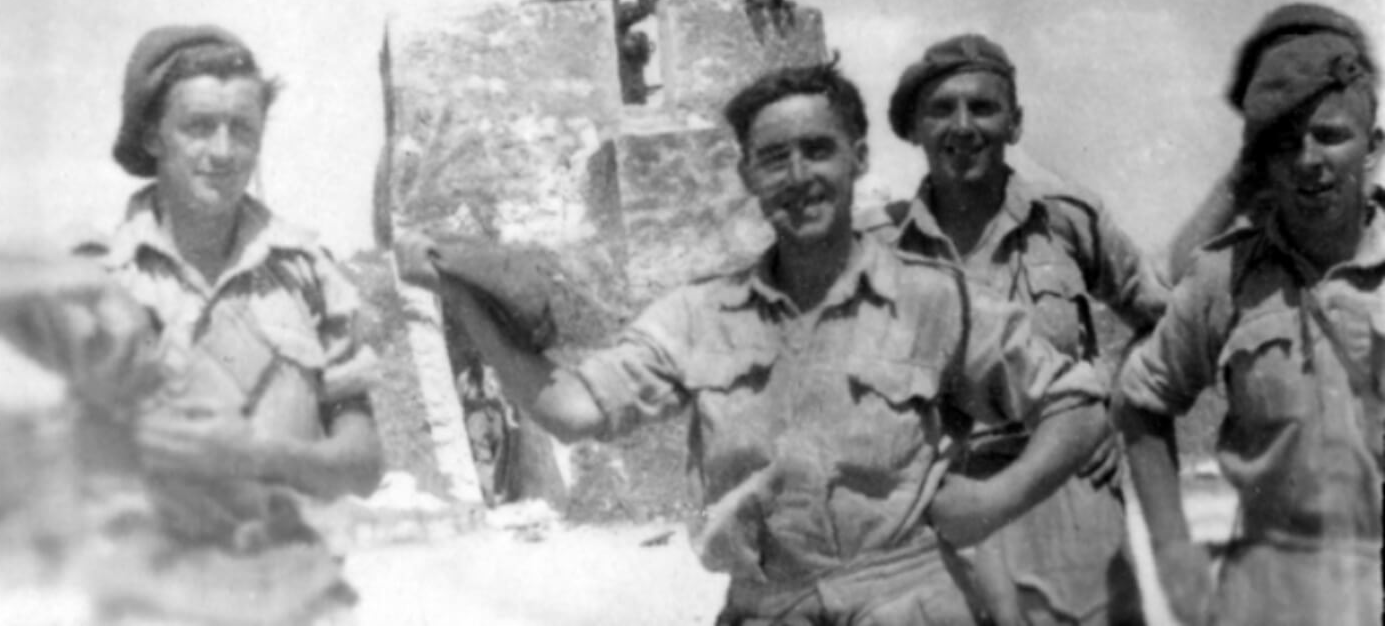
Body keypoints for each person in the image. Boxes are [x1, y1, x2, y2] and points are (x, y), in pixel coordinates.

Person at [426, 62, 1110, 625]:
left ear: (858, 159)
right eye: (774, 159)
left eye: (818, 150)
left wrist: (995, 501)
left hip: (907, 604)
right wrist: (461, 300)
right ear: (748, 176)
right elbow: (571, 410)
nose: (799, 177)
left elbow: (1077, 403)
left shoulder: (932, 298)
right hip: (766, 610)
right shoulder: (697, 316)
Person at [866, 34, 1167, 625]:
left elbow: (1168, 323)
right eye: (941, 110)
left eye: (983, 107)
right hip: (940, 507)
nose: (963, 125)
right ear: (915, 131)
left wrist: (1109, 398)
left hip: (1066, 484)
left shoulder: (1067, 220)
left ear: (1015, 123)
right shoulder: (876, 249)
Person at [93, 25, 384, 624]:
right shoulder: (98, 286)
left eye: (242, 129)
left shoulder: (308, 276)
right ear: (153, 135)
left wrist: (255, 454)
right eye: (198, 127)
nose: (223, 152)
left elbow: (362, 462)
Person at [1115, 2, 1384, 626]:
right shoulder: (1225, 278)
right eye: (1286, 145)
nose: (1310, 160)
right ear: (1261, 164)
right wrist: (1174, 550)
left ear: (1372, 148)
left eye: (1332, 135)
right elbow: (1139, 401)